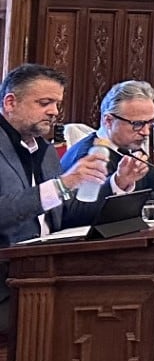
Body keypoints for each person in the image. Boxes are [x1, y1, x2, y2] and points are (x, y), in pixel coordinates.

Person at [2, 64, 114, 247]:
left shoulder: (46, 150)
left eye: (57, 104)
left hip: (51, 254)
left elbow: (68, 216)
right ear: (10, 103)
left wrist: (118, 183)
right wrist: (61, 185)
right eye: (44, 103)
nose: (54, 112)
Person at [59, 79, 154, 205]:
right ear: (108, 121)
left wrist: (142, 198)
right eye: (137, 124)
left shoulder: (128, 149)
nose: (146, 132)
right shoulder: (89, 157)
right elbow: (84, 211)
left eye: (150, 122)